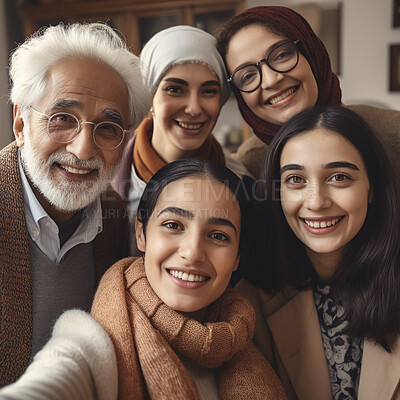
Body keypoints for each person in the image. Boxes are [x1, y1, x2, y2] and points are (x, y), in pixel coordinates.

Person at [0, 159, 287, 400]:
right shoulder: (91, 339)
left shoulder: (256, 341)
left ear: (237, 257)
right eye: (173, 225)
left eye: (218, 236)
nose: (193, 253)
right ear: (141, 232)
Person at [0, 22, 151, 387]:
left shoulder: (116, 217)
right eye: (62, 119)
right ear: (20, 123)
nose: (83, 150)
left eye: (108, 128)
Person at [237, 106, 400, 400]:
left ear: (372, 188)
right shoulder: (247, 306)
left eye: (339, 177)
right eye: (295, 180)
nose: (316, 202)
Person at [215, 6, 400, 179]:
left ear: (312, 53)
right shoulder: (252, 162)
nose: (271, 80)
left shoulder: (394, 134)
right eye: (247, 76)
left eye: (281, 55)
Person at [112, 25, 251, 254]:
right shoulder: (103, 177)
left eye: (208, 91)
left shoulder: (242, 184)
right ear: (149, 96)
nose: (194, 108)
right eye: (175, 89)